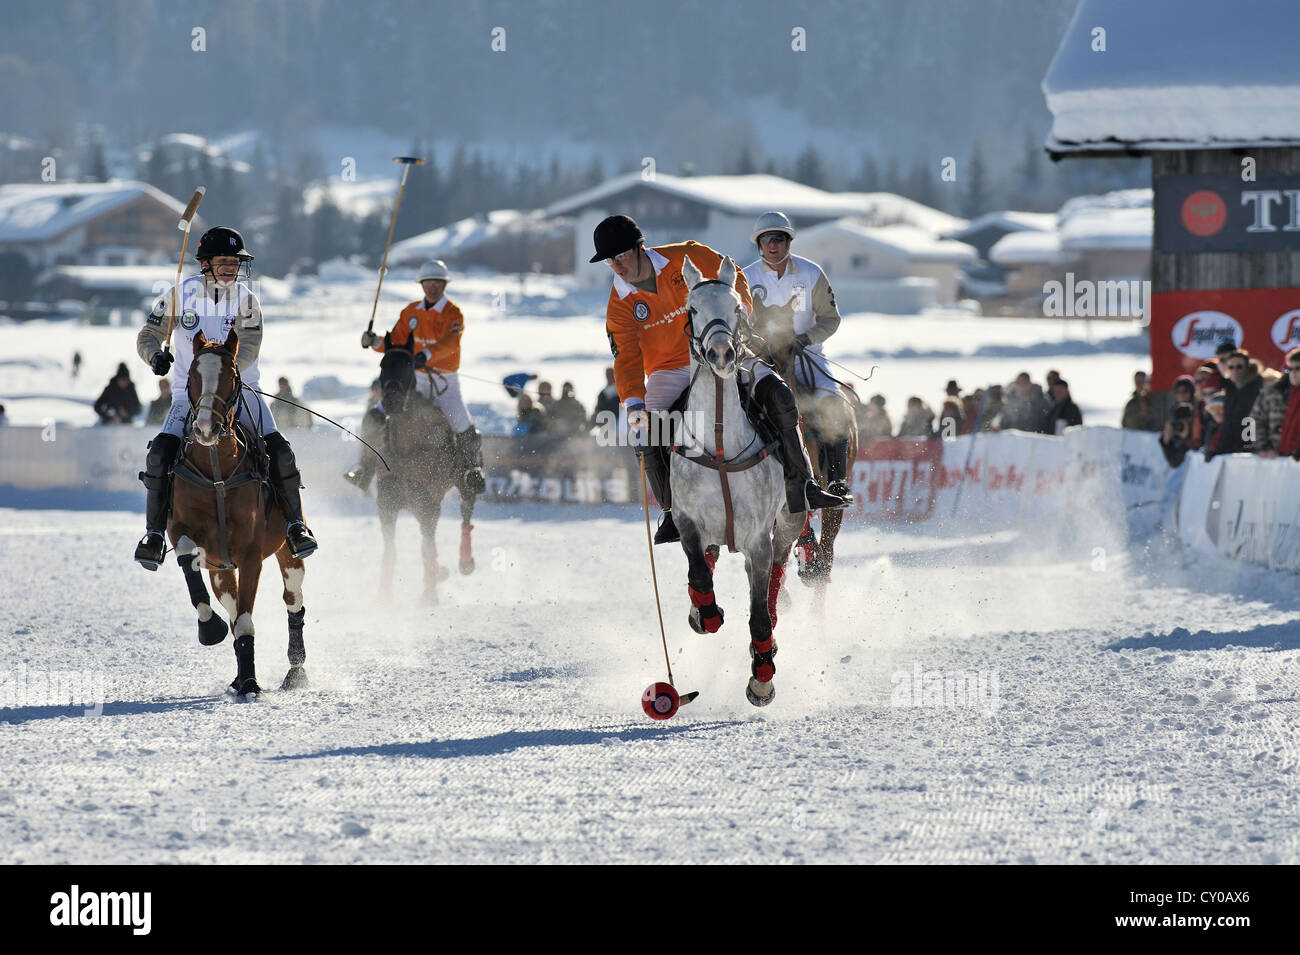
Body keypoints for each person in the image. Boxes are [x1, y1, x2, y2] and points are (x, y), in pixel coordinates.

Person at [596, 214, 847, 544]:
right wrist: (633, 404)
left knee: (780, 394)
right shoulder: (619, 304)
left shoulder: (687, 256)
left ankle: (804, 485)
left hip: (723, 351)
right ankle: (673, 512)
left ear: (639, 247)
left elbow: (736, 279)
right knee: (646, 432)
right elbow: (626, 359)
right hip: (668, 369)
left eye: (621, 255)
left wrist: (739, 309)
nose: (617, 265)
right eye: (610, 260)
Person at [133, 226, 317, 569]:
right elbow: (148, 334)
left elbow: (248, 346)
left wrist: (223, 375)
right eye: (223, 261)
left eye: (235, 261)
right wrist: (155, 355)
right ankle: (155, 535)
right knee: (159, 454)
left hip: (242, 393)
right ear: (206, 263)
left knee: (281, 452)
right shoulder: (179, 294)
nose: (231, 267)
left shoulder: (248, 299)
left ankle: (295, 526)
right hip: (187, 399)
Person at [740, 211, 856, 500]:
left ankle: (837, 480)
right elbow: (738, 324)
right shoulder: (745, 277)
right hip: (761, 359)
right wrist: (756, 345)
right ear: (759, 245)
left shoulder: (811, 273)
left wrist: (805, 339)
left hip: (807, 356)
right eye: (766, 239)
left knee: (833, 404)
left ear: (789, 241)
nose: (773, 245)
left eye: (779, 238)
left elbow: (831, 318)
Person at [352, 259, 485, 493]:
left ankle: (471, 472)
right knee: (374, 415)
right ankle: (364, 468)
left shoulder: (453, 313)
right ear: (421, 285)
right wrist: (374, 342)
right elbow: (395, 343)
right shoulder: (410, 312)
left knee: (465, 429)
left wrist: (425, 354)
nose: (432, 287)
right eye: (428, 283)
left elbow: (450, 344)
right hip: (416, 382)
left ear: (444, 285)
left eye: (437, 283)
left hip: (446, 385)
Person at [1249, 346, 1300, 458]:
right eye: (1290, 369)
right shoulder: (1272, 392)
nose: (1293, 373)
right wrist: (1263, 447)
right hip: (1275, 458)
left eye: (1298, 368)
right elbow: (1253, 420)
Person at [1217, 349, 1263, 455]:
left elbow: (1252, 420)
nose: (1235, 371)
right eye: (1231, 367)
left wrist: (1249, 447)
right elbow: (1228, 422)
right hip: (1236, 451)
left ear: (1247, 367)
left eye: (1239, 367)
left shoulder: (1257, 388)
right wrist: (1221, 449)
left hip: (1253, 451)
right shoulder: (1230, 389)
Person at [1158, 376, 1201, 468]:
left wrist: (1187, 439)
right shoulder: (1173, 413)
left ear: (1192, 392)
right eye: (1177, 391)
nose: (1181, 394)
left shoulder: (1199, 412)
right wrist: (1166, 442)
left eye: (1185, 391)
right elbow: (1174, 462)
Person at [590, 366, 620, 430]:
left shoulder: (619, 391)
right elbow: (598, 408)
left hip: (617, 421)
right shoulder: (603, 393)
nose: (609, 377)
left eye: (611, 375)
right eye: (608, 375)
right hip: (604, 421)